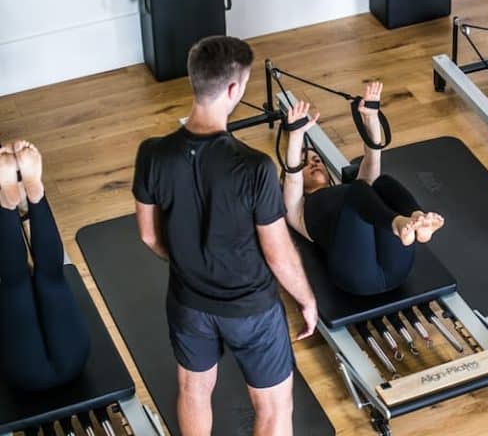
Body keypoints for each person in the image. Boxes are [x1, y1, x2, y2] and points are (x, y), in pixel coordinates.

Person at [132, 36, 317, 436]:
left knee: (193, 390)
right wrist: (306, 300)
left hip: (188, 305)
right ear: (233, 90)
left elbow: (148, 236)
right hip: (252, 310)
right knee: (273, 408)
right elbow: (280, 256)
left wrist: (186, 262)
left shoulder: (152, 154)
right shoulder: (254, 168)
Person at [281, 81, 445, 296]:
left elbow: (373, 155)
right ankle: (400, 223)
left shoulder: (355, 195)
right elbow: (292, 176)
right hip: (355, 276)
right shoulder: (297, 209)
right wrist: (296, 135)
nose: (313, 162)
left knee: (380, 182)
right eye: (305, 162)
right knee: (361, 186)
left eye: (316, 158)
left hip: (397, 267)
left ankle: (418, 220)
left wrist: (371, 117)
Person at [0, 141, 91, 392]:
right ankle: (18, 201)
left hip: (71, 360)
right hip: (34, 370)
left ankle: (23, 199)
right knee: (24, 283)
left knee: (41, 280)